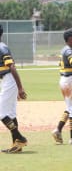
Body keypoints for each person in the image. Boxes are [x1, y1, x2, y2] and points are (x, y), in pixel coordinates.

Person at [0, 24, 28, 153]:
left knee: (1, 113)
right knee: (10, 114)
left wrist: (20, 88)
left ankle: (19, 138)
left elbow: (12, 67)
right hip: (7, 81)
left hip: (9, 80)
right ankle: (16, 145)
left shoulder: (2, 47)